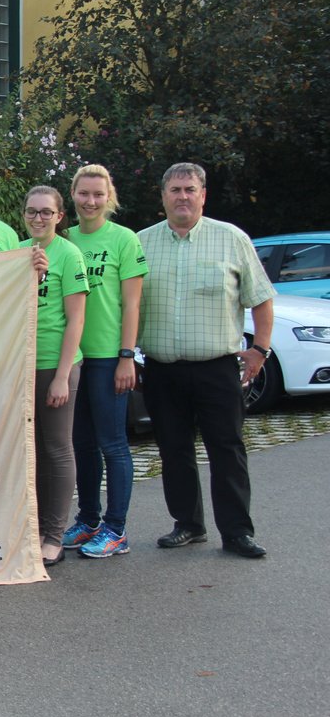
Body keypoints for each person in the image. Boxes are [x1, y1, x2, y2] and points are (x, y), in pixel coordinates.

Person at [137, 163, 275, 558]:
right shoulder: (141, 243)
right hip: (162, 368)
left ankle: (237, 532)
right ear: (163, 196)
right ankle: (188, 524)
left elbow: (261, 298)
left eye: (190, 189)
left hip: (217, 367)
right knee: (173, 449)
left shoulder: (231, 239)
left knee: (226, 448)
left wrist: (260, 349)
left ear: (203, 195)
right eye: (175, 189)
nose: (182, 196)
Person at [61, 165, 148, 559]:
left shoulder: (124, 239)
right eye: (84, 193)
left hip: (109, 357)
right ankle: (89, 520)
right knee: (82, 444)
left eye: (98, 194)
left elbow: (132, 304)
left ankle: (117, 529)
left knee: (112, 444)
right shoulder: (64, 238)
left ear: (109, 197)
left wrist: (127, 356)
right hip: (74, 358)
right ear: (73, 195)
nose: (91, 201)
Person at [21, 186, 89, 567]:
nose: (38, 218)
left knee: (57, 448)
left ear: (60, 216)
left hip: (55, 364)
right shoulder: (18, 251)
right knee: (29, 451)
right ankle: (33, 529)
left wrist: (63, 376)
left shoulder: (68, 254)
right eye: (32, 212)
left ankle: (54, 536)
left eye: (46, 212)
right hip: (22, 364)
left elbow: (75, 319)